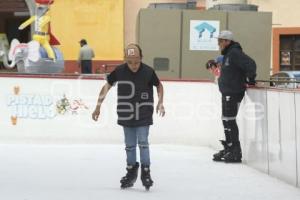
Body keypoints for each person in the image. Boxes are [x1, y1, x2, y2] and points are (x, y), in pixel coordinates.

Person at [92, 44, 165, 190]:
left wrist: (160, 102)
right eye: (130, 62)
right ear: (125, 59)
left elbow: (159, 85)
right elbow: (107, 86)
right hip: (126, 113)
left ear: (141, 58)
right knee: (130, 146)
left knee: (143, 142)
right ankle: (131, 171)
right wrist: (98, 106)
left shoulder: (148, 71)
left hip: (144, 113)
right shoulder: (119, 71)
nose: (133, 66)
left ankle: (146, 172)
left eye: (137, 62)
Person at [213, 30, 256, 163]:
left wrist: (250, 79)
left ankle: (236, 152)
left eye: (220, 41)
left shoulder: (234, 53)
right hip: (227, 91)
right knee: (225, 119)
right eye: (218, 41)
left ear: (227, 41)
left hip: (233, 92)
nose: (219, 43)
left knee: (230, 120)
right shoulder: (228, 54)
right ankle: (229, 147)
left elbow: (251, 64)